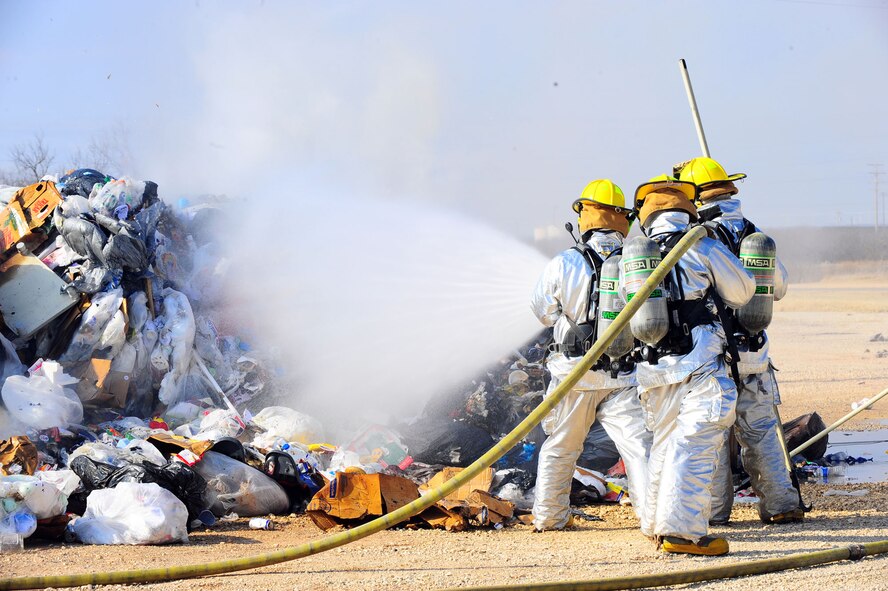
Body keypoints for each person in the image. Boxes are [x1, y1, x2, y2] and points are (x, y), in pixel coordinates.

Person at [620, 176, 755, 555]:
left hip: (652, 368)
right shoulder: (702, 245)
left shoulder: (633, 258)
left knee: (664, 444)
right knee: (695, 443)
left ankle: (655, 523)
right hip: (699, 363)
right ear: (687, 210)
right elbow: (742, 291)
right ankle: (682, 532)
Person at [678, 157, 803, 525]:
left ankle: (714, 513)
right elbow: (779, 287)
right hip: (756, 350)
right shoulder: (754, 234)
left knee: (713, 434)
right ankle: (782, 504)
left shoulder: (700, 239)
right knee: (762, 431)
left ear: (695, 196)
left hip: (715, 353)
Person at [530, 179, 651, 531]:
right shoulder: (636, 262)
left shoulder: (565, 262)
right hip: (623, 374)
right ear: (621, 218)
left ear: (585, 217)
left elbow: (543, 313)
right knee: (639, 448)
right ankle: (654, 517)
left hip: (573, 374)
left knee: (561, 447)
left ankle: (549, 517)